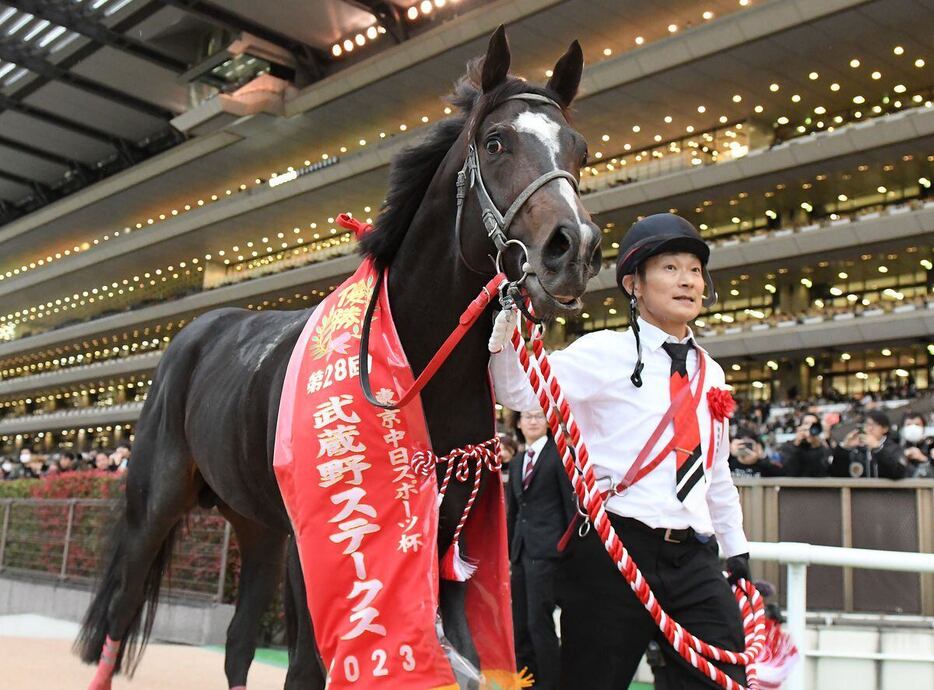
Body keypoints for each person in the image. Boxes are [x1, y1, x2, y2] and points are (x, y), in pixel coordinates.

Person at [491, 213, 751, 689]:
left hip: (693, 557)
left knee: (725, 677)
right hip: (614, 553)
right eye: (670, 268)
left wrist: (737, 554)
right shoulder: (603, 352)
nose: (688, 281)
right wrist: (509, 318)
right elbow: (518, 392)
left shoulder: (711, 373)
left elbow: (715, 475)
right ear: (634, 283)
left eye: (695, 270)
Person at [506, 409, 576, 690]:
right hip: (521, 553)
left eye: (538, 416)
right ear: (519, 423)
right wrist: (510, 553)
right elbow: (513, 511)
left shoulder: (559, 456)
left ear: (548, 422)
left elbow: (570, 507)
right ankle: (525, 682)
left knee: (540, 623)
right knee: (520, 624)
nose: (533, 421)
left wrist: (567, 549)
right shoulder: (518, 461)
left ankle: (549, 684)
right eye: (527, 417)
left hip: (548, 552)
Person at [830, 410, 907, 479]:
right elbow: (836, 473)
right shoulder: (856, 450)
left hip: (886, 494)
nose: (869, 428)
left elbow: (898, 473)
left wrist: (878, 449)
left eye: (874, 425)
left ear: (885, 429)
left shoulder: (894, 448)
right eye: (866, 424)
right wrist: (844, 448)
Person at [899, 411, 934, 478]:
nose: (913, 428)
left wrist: (924, 459)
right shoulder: (895, 448)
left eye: (917, 424)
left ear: (923, 428)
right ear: (903, 428)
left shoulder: (931, 447)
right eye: (908, 425)